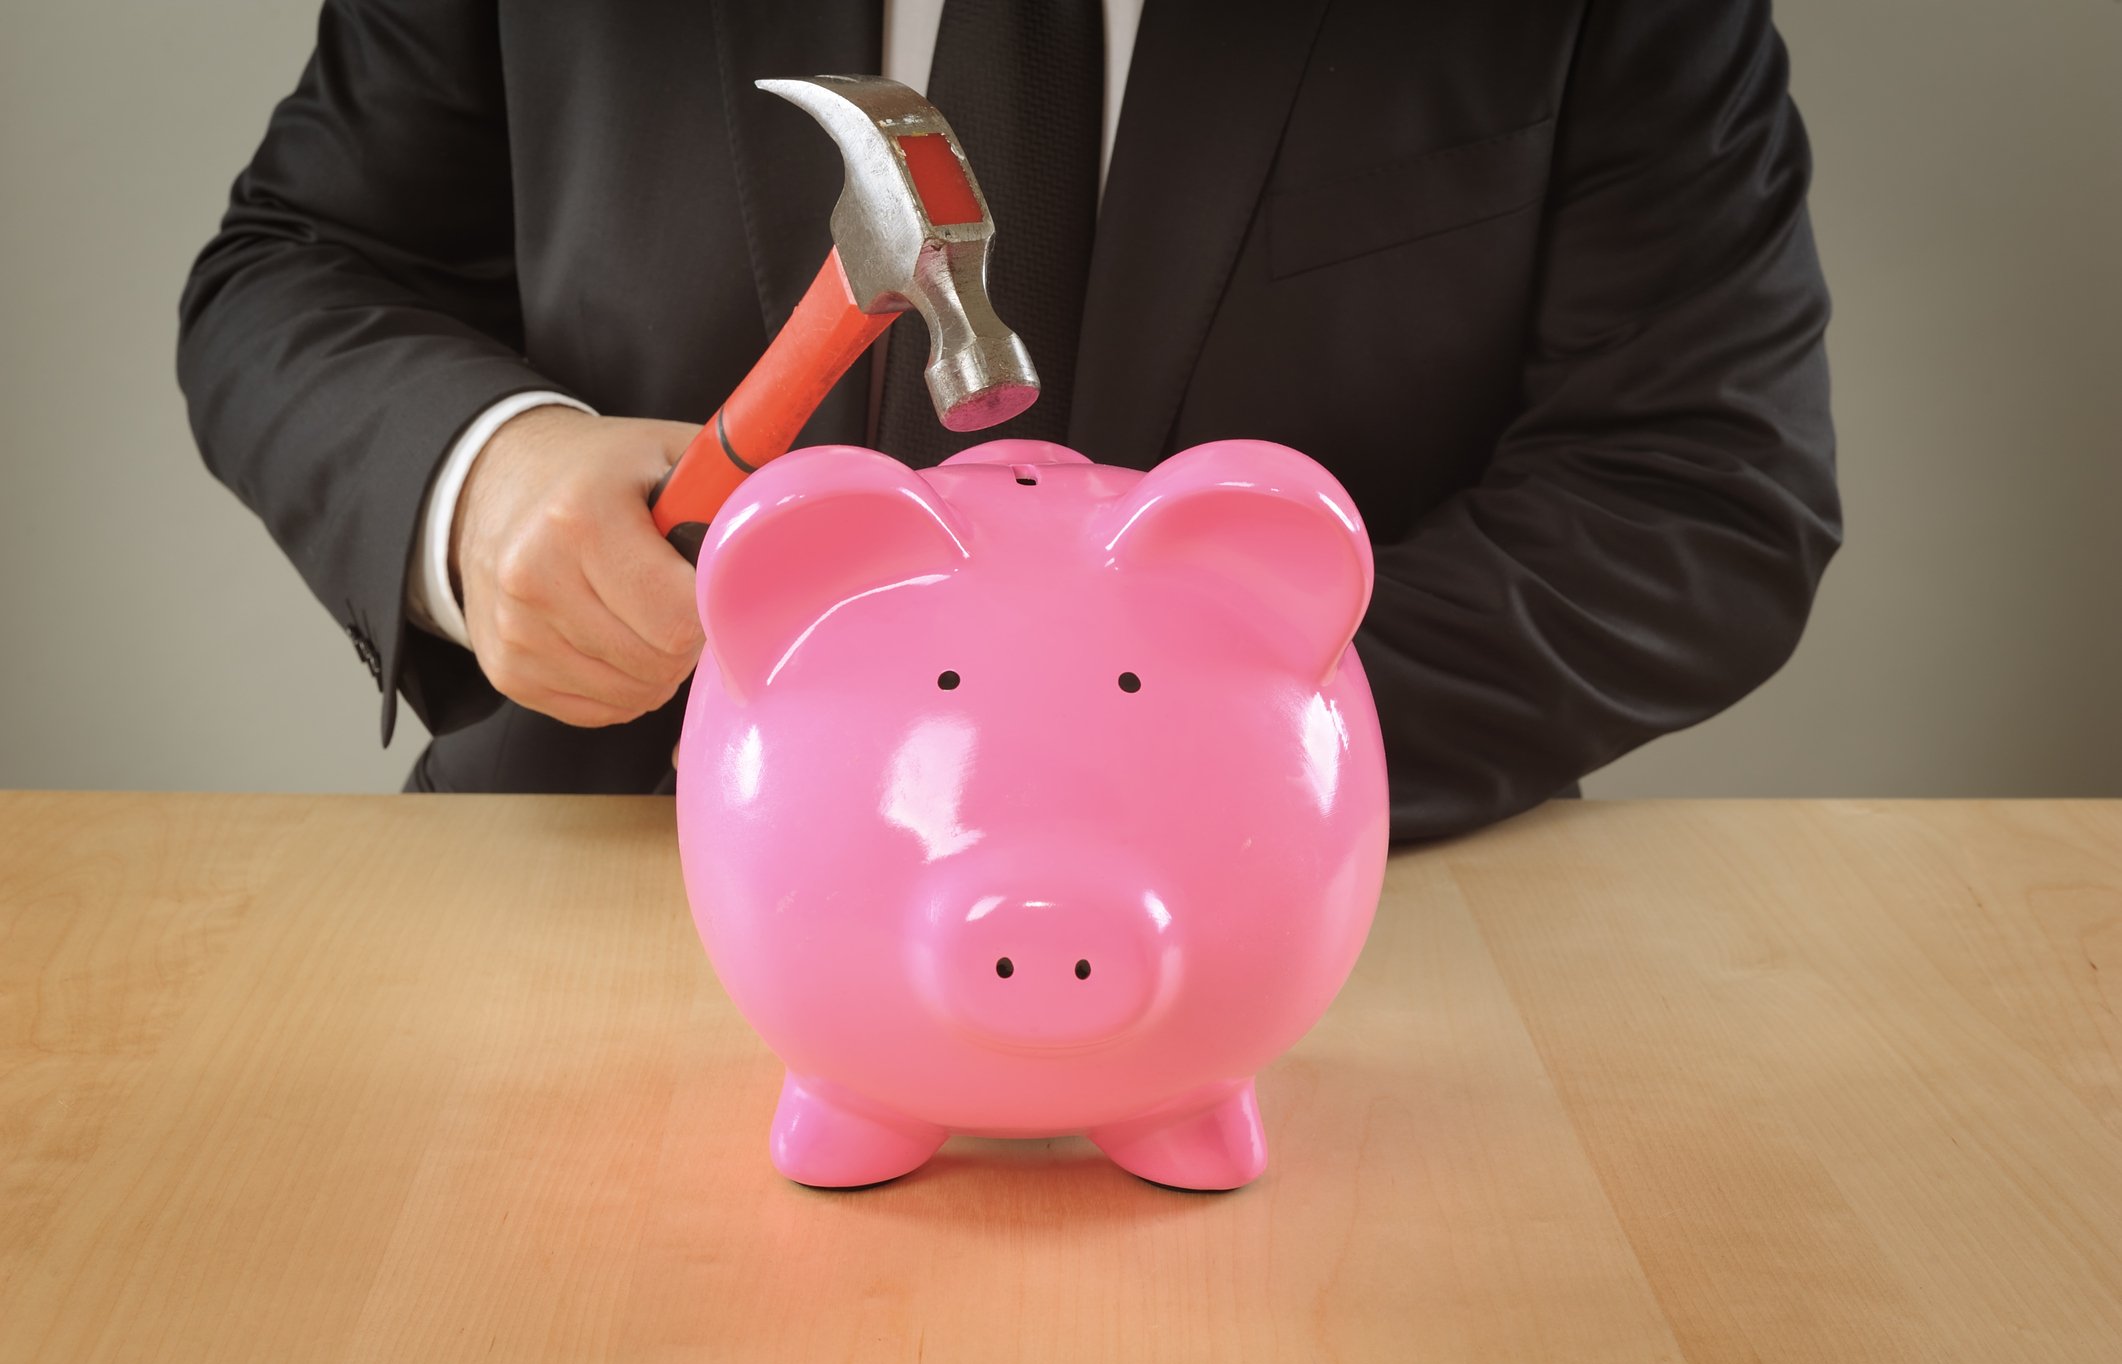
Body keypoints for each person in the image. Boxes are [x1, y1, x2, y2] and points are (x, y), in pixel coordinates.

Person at [178, 0, 1839, 841]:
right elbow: (303, 264)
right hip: (609, 884)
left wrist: (1179, 740)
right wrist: (475, 485)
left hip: (1327, 959)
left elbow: (1697, 489)